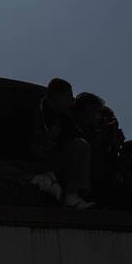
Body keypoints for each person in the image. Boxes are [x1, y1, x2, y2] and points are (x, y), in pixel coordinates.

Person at [30, 78, 95, 208]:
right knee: (79, 146)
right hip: (36, 159)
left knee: (81, 146)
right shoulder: (36, 112)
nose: (71, 101)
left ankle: (77, 192)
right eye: (69, 96)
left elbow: (77, 137)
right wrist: (48, 137)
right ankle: (71, 195)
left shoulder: (63, 116)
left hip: (53, 160)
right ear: (59, 95)